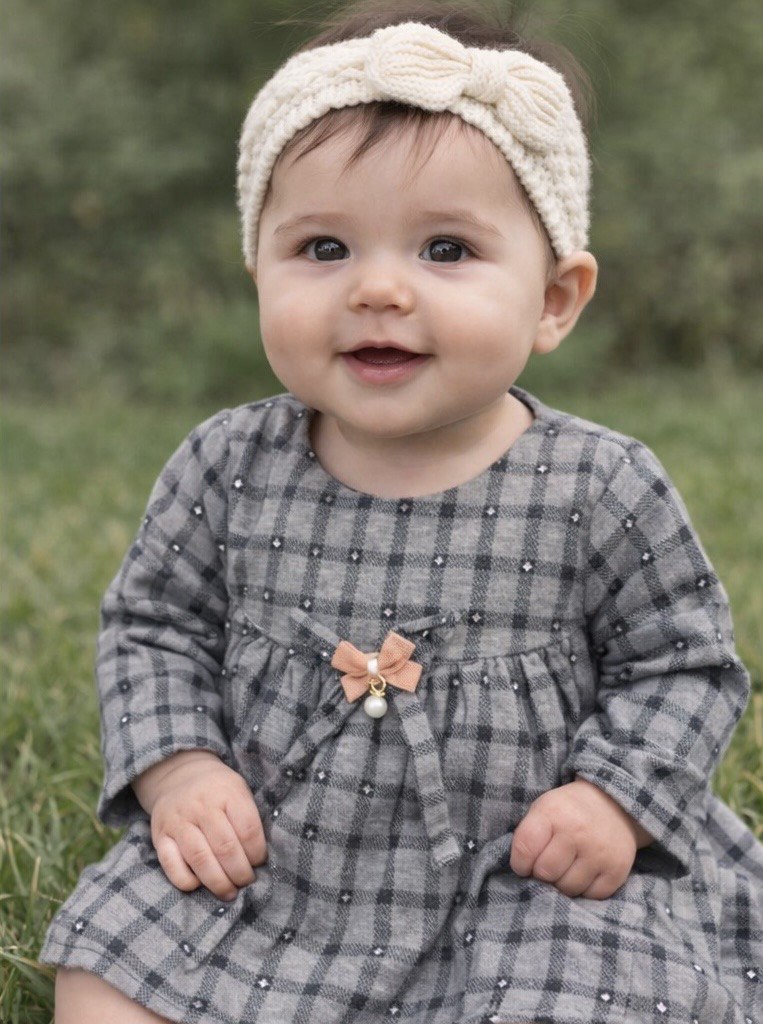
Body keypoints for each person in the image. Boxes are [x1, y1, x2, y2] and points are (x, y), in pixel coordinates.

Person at [40, 1, 763, 1021]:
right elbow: (152, 627)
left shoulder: (597, 485)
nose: (378, 288)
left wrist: (611, 799)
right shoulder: (227, 464)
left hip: (527, 878)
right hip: (277, 862)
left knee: (592, 985)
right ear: (258, 267)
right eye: (324, 249)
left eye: (446, 250)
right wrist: (181, 770)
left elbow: (681, 664)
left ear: (554, 297)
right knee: (108, 969)